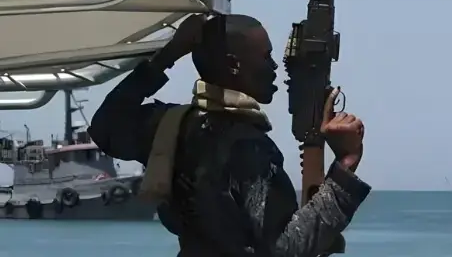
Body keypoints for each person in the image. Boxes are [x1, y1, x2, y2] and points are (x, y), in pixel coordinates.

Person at [88, 13, 368, 256]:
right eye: (266, 56)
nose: (274, 68)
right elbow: (287, 248)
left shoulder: (170, 125)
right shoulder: (249, 148)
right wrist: (346, 163)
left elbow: (105, 127)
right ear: (235, 65)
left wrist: (169, 55)